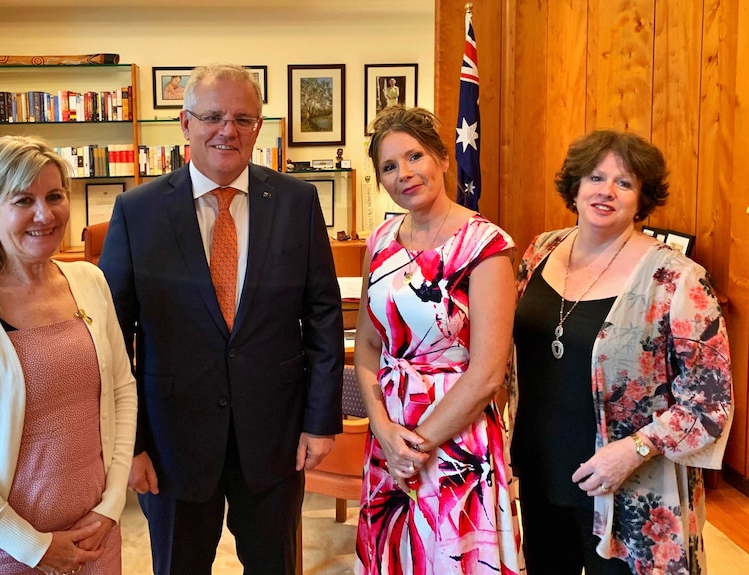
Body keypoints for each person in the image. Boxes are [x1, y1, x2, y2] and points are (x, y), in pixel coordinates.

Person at [98, 63, 344, 575]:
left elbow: (322, 315)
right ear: (185, 125)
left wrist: (320, 422)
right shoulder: (136, 211)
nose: (227, 129)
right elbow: (113, 337)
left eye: (242, 118)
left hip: (275, 438)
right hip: (172, 444)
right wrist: (129, 444)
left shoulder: (297, 202)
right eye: (212, 116)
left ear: (258, 127)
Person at [512, 130, 733, 575]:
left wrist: (634, 449)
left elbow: (710, 400)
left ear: (643, 199)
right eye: (595, 177)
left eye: (624, 183)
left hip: (630, 484)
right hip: (539, 467)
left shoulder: (677, 279)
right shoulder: (540, 251)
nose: (605, 192)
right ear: (574, 186)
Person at [0, 135, 138, 575]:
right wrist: (33, 546)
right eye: (23, 200)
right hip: (0, 548)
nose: (45, 213)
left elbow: (122, 392)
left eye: (55, 196)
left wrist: (111, 506)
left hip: (95, 537)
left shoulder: (90, 282)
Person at [354, 105, 524, 574]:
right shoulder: (381, 240)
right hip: (390, 429)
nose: (404, 174)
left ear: (443, 160)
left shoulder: (485, 246)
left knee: (450, 557)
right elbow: (369, 345)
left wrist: (416, 445)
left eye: (414, 157)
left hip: (455, 436)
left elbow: (489, 372)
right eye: (389, 167)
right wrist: (387, 435)